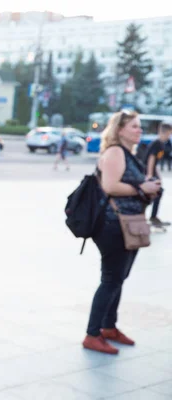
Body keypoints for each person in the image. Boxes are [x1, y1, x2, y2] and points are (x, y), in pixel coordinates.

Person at [83, 110, 161, 355]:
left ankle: (109, 327)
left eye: (139, 126)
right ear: (119, 130)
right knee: (111, 280)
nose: (139, 130)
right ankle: (92, 334)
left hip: (128, 222)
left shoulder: (130, 153)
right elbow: (110, 186)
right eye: (135, 126)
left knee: (119, 278)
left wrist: (146, 187)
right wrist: (143, 187)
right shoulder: (115, 151)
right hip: (113, 224)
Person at [141, 122, 172, 227]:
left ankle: (152, 216)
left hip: (151, 171)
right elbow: (151, 158)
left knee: (157, 193)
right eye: (168, 134)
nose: (169, 136)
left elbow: (155, 162)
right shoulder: (157, 143)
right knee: (154, 193)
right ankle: (147, 217)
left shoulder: (162, 144)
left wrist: (158, 176)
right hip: (145, 172)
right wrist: (149, 175)